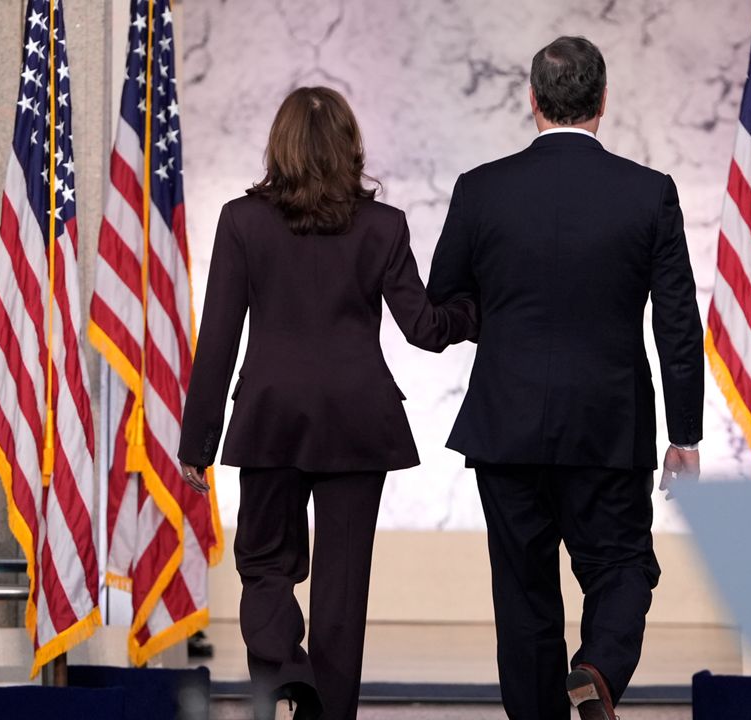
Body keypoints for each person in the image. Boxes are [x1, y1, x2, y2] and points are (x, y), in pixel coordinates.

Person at [427, 36, 705, 720]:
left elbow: (443, 299)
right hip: (608, 427)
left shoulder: (480, 189)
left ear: (532, 100)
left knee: (523, 597)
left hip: (506, 423)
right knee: (621, 567)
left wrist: (502, 324)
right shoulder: (649, 194)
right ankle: (599, 666)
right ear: (603, 101)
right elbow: (678, 324)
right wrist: (686, 435)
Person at [177, 86, 478, 720]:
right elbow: (424, 329)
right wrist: (482, 309)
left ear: (277, 145)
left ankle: (286, 667)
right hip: (357, 422)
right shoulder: (383, 225)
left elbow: (219, 339)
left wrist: (197, 444)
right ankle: (329, 713)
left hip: (269, 418)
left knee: (265, 565)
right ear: (350, 147)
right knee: (343, 590)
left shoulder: (241, 221)